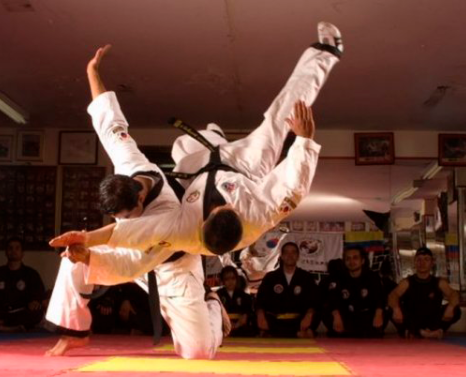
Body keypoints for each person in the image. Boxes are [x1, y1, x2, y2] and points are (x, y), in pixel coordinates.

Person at [52, 21, 343, 261]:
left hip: (199, 170)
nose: (224, 203)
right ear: (237, 216)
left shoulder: (182, 230)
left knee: (185, 146)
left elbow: (125, 233)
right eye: (229, 206)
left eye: (219, 207)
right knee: (281, 119)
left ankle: (212, 136)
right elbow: (294, 187)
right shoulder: (260, 214)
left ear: (204, 222)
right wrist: (303, 141)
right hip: (246, 167)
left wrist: (86, 240)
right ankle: (327, 51)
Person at [45, 44, 228, 360]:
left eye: (129, 215)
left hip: (173, 268)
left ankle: (212, 305)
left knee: (198, 353)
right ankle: (76, 331)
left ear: (141, 197)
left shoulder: (168, 214)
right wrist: (93, 72)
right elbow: (109, 123)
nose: (125, 220)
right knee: (69, 258)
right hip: (128, 251)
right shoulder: (130, 165)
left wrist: (91, 254)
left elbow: (134, 264)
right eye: (120, 217)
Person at [388, 247, 461, 339]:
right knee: (390, 309)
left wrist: (451, 307)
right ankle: (418, 332)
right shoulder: (407, 282)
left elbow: (453, 294)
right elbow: (393, 295)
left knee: (456, 310)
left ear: (432, 263)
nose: (422, 263)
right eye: (419, 260)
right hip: (413, 320)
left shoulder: (439, 282)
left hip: (433, 320)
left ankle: (435, 331)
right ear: (415, 262)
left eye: (426, 259)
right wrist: (396, 308)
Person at [256, 242, 319, 338]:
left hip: (298, 321)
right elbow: (260, 300)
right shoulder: (271, 277)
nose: (290, 256)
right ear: (281, 256)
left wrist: (309, 314)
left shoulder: (306, 277)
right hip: (276, 320)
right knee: (257, 317)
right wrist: (260, 314)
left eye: (293, 252)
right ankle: (296, 334)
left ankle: (275, 333)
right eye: (286, 253)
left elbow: (314, 300)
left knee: (316, 312)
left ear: (298, 256)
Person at [324, 246, 385, 338]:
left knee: (386, 310)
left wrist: (378, 313)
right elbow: (332, 299)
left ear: (363, 261)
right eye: (348, 259)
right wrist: (336, 316)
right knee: (325, 309)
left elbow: (380, 298)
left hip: (367, 316)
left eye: (355, 258)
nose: (351, 261)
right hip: (348, 316)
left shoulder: (372, 277)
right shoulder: (339, 278)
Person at [217, 266, 255, 337]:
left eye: (233, 278)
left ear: (237, 279)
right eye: (227, 279)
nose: (230, 282)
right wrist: (228, 324)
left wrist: (237, 325)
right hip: (222, 328)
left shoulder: (244, 296)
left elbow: (246, 314)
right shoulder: (218, 295)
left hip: (241, 328)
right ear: (222, 281)